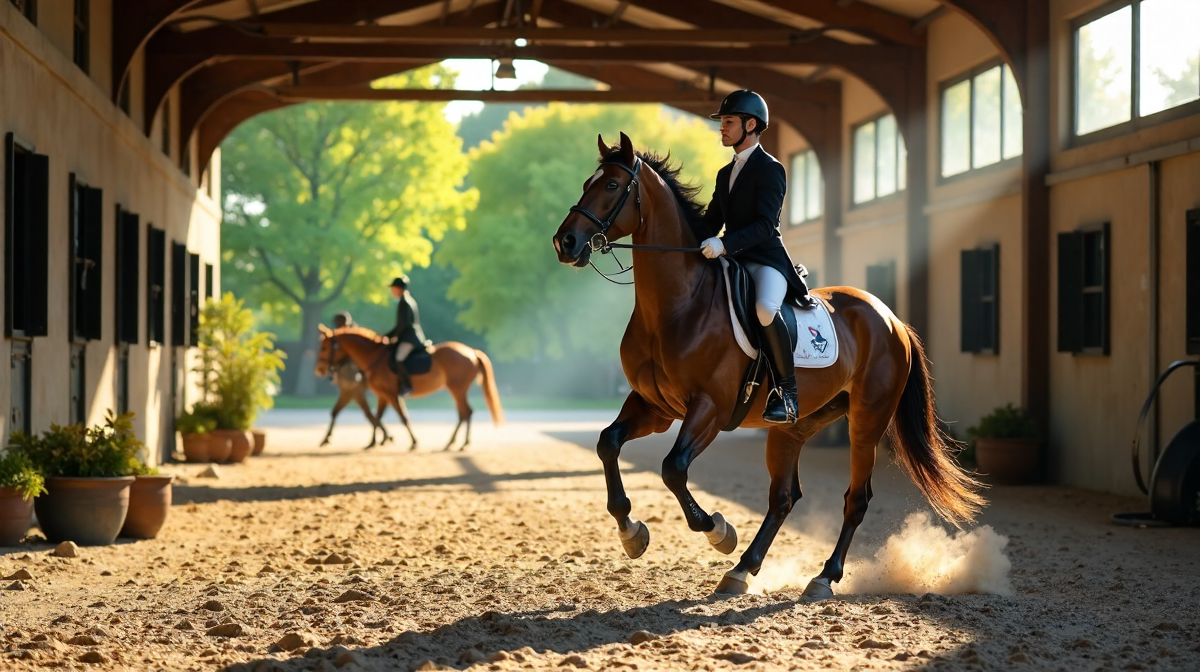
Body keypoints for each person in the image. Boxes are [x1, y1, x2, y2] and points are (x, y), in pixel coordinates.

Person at [692, 90, 817, 426]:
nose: (722, 128)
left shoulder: (770, 169)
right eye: (722, 123)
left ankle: (786, 393)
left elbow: (765, 225)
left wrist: (724, 245)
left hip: (766, 260)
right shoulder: (724, 173)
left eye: (728, 122)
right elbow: (711, 221)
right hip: (732, 260)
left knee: (764, 309)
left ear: (750, 125)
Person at [386, 276, 426, 396]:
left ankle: (407, 386)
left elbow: (402, 325)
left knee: (399, 359)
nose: (392, 291)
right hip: (408, 335)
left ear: (399, 288)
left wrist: (391, 337)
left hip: (410, 337)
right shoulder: (407, 300)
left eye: (393, 288)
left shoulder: (404, 302)